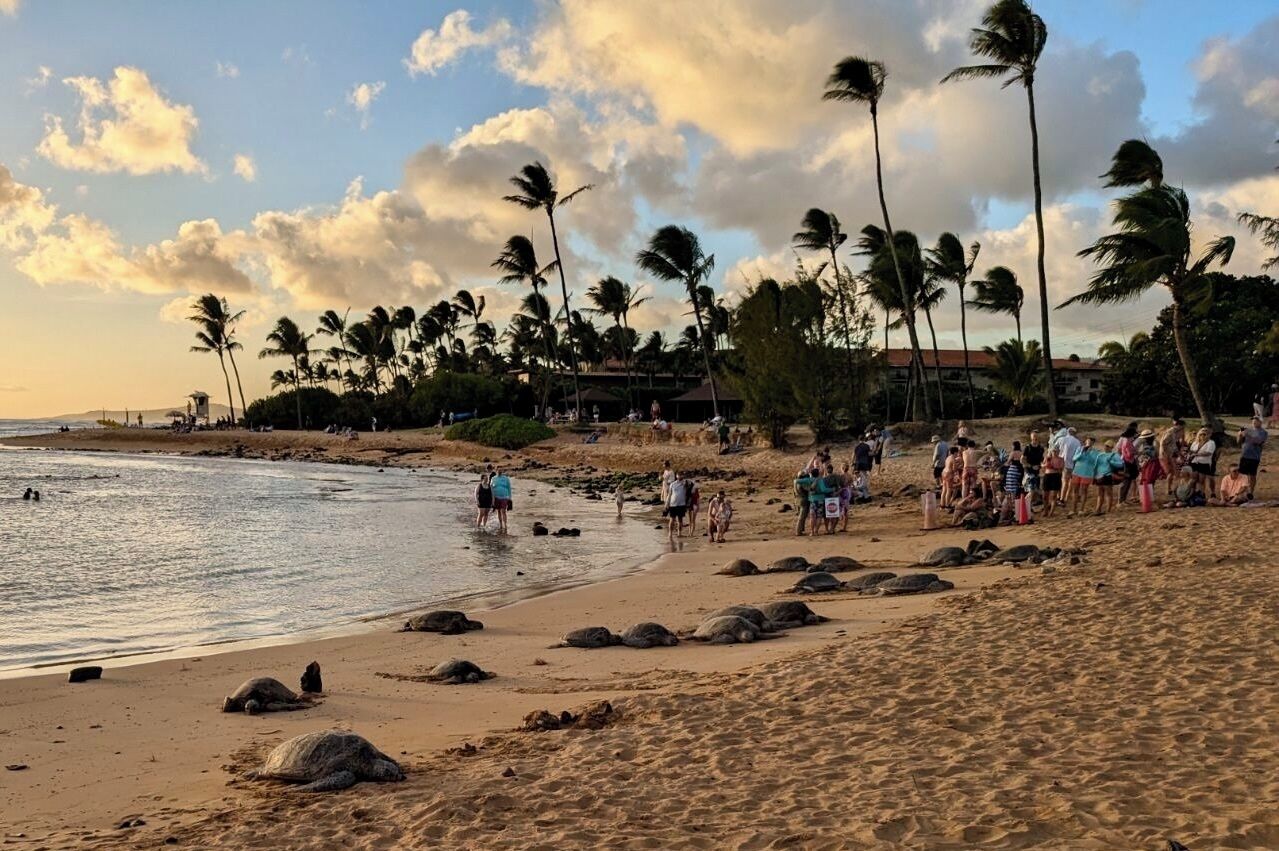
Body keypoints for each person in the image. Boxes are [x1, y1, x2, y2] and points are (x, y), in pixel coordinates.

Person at [1069, 437, 1101, 517]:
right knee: (1075, 490)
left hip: (1087, 473)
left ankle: (1081, 509)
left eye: (1090, 442)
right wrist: (1082, 452)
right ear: (1085, 442)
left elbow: (1094, 462)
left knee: (1084, 491)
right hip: (1077, 472)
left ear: (1093, 443)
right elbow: (1074, 458)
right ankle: (1073, 509)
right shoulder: (1080, 449)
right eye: (1087, 442)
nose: (1088, 443)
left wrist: (1089, 453)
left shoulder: (1095, 452)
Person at [1238, 415, 1268, 494]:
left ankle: (1250, 492)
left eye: (1256, 420)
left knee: (1252, 475)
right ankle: (1241, 492)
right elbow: (1239, 442)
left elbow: (1258, 441)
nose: (1254, 421)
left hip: (1254, 457)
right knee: (1242, 475)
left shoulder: (1263, 432)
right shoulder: (1247, 430)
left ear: (1260, 422)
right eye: (1253, 419)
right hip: (1244, 455)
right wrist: (1240, 435)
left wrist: (1247, 434)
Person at [1093, 439, 1124, 515]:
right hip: (1099, 476)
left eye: (1108, 446)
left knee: (1108, 493)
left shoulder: (1114, 455)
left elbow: (1121, 464)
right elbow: (1095, 466)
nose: (1106, 447)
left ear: (1111, 447)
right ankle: (1098, 509)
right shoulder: (1100, 455)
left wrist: (1111, 462)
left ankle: (1108, 510)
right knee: (1100, 493)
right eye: (1105, 446)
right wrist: (1094, 475)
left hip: (1108, 475)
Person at [1158, 418, 1185, 496]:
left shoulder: (1174, 432)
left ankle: (1170, 489)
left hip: (1169, 454)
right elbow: (1163, 442)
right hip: (1166, 455)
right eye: (1182, 427)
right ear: (1179, 426)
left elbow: (1173, 446)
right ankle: (1168, 489)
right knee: (1171, 472)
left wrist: (1179, 454)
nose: (1183, 429)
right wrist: (1164, 454)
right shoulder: (1171, 432)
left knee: (1173, 472)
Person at [1188, 427, 1216, 496]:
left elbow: (1208, 453)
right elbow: (1191, 451)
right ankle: (1193, 492)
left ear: (1208, 435)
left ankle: (1202, 493)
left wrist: (1196, 454)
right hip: (1194, 462)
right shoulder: (1195, 442)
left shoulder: (1211, 443)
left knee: (1202, 480)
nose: (1202, 436)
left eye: (1205, 434)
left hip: (1204, 463)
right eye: (1201, 434)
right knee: (1194, 479)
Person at [1058, 427, 1082, 502]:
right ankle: (1066, 498)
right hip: (1073, 464)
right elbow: (1078, 454)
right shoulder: (1077, 442)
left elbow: (1056, 449)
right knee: (1070, 483)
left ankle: (1061, 498)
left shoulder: (1062, 439)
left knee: (1064, 481)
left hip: (1063, 463)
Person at [1041, 446, 1064, 518]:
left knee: (1053, 496)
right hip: (1047, 476)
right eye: (1053, 451)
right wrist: (1046, 464)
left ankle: (1051, 512)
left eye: (1056, 451)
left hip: (1055, 476)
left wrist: (1053, 467)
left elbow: (1061, 469)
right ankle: (1045, 511)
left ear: (1058, 452)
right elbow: (1042, 465)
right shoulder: (1048, 458)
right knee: (1045, 496)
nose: (1054, 452)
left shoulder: (1061, 459)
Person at [666, 471, 688, 540]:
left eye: (681, 475)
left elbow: (693, 486)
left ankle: (679, 533)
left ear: (683, 476)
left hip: (681, 504)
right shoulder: (672, 484)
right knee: (672, 519)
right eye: (679, 475)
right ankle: (670, 533)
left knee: (680, 519)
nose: (680, 476)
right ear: (676, 476)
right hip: (673, 504)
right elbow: (669, 494)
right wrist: (667, 503)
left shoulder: (685, 483)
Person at [1023, 431, 1044, 503]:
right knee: (1031, 491)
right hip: (1029, 472)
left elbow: (1042, 460)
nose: (1035, 438)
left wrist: (1040, 466)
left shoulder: (1041, 448)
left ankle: (1029, 508)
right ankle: (1023, 506)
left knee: (1036, 491)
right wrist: (1031, 466)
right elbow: (1022, 460)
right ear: (1031, 438)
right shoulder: (1028, 447)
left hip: (1037, 472)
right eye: (1033, 436)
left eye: (1036, 436)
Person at [793, 467, 815, 535]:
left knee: (801, 516)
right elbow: (810, 489)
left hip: (797, 499)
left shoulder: (796, 482)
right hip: (804, 500)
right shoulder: (802, 483)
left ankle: (800, 530)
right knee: (802, 517)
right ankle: (798, 531)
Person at [490, 468, 512, 533]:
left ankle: (505, 524)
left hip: (505, 497)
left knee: (504, 511)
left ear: (502, 471)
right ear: (496, 471)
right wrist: (492, 498)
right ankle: (500, 525)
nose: (499, 471)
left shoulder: (506, 478)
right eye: (498, 470)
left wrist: (510, 497)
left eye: (500, 470)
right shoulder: (493, 478)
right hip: (496, 497)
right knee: (499, 511)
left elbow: (509, 488)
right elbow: (491, 487)